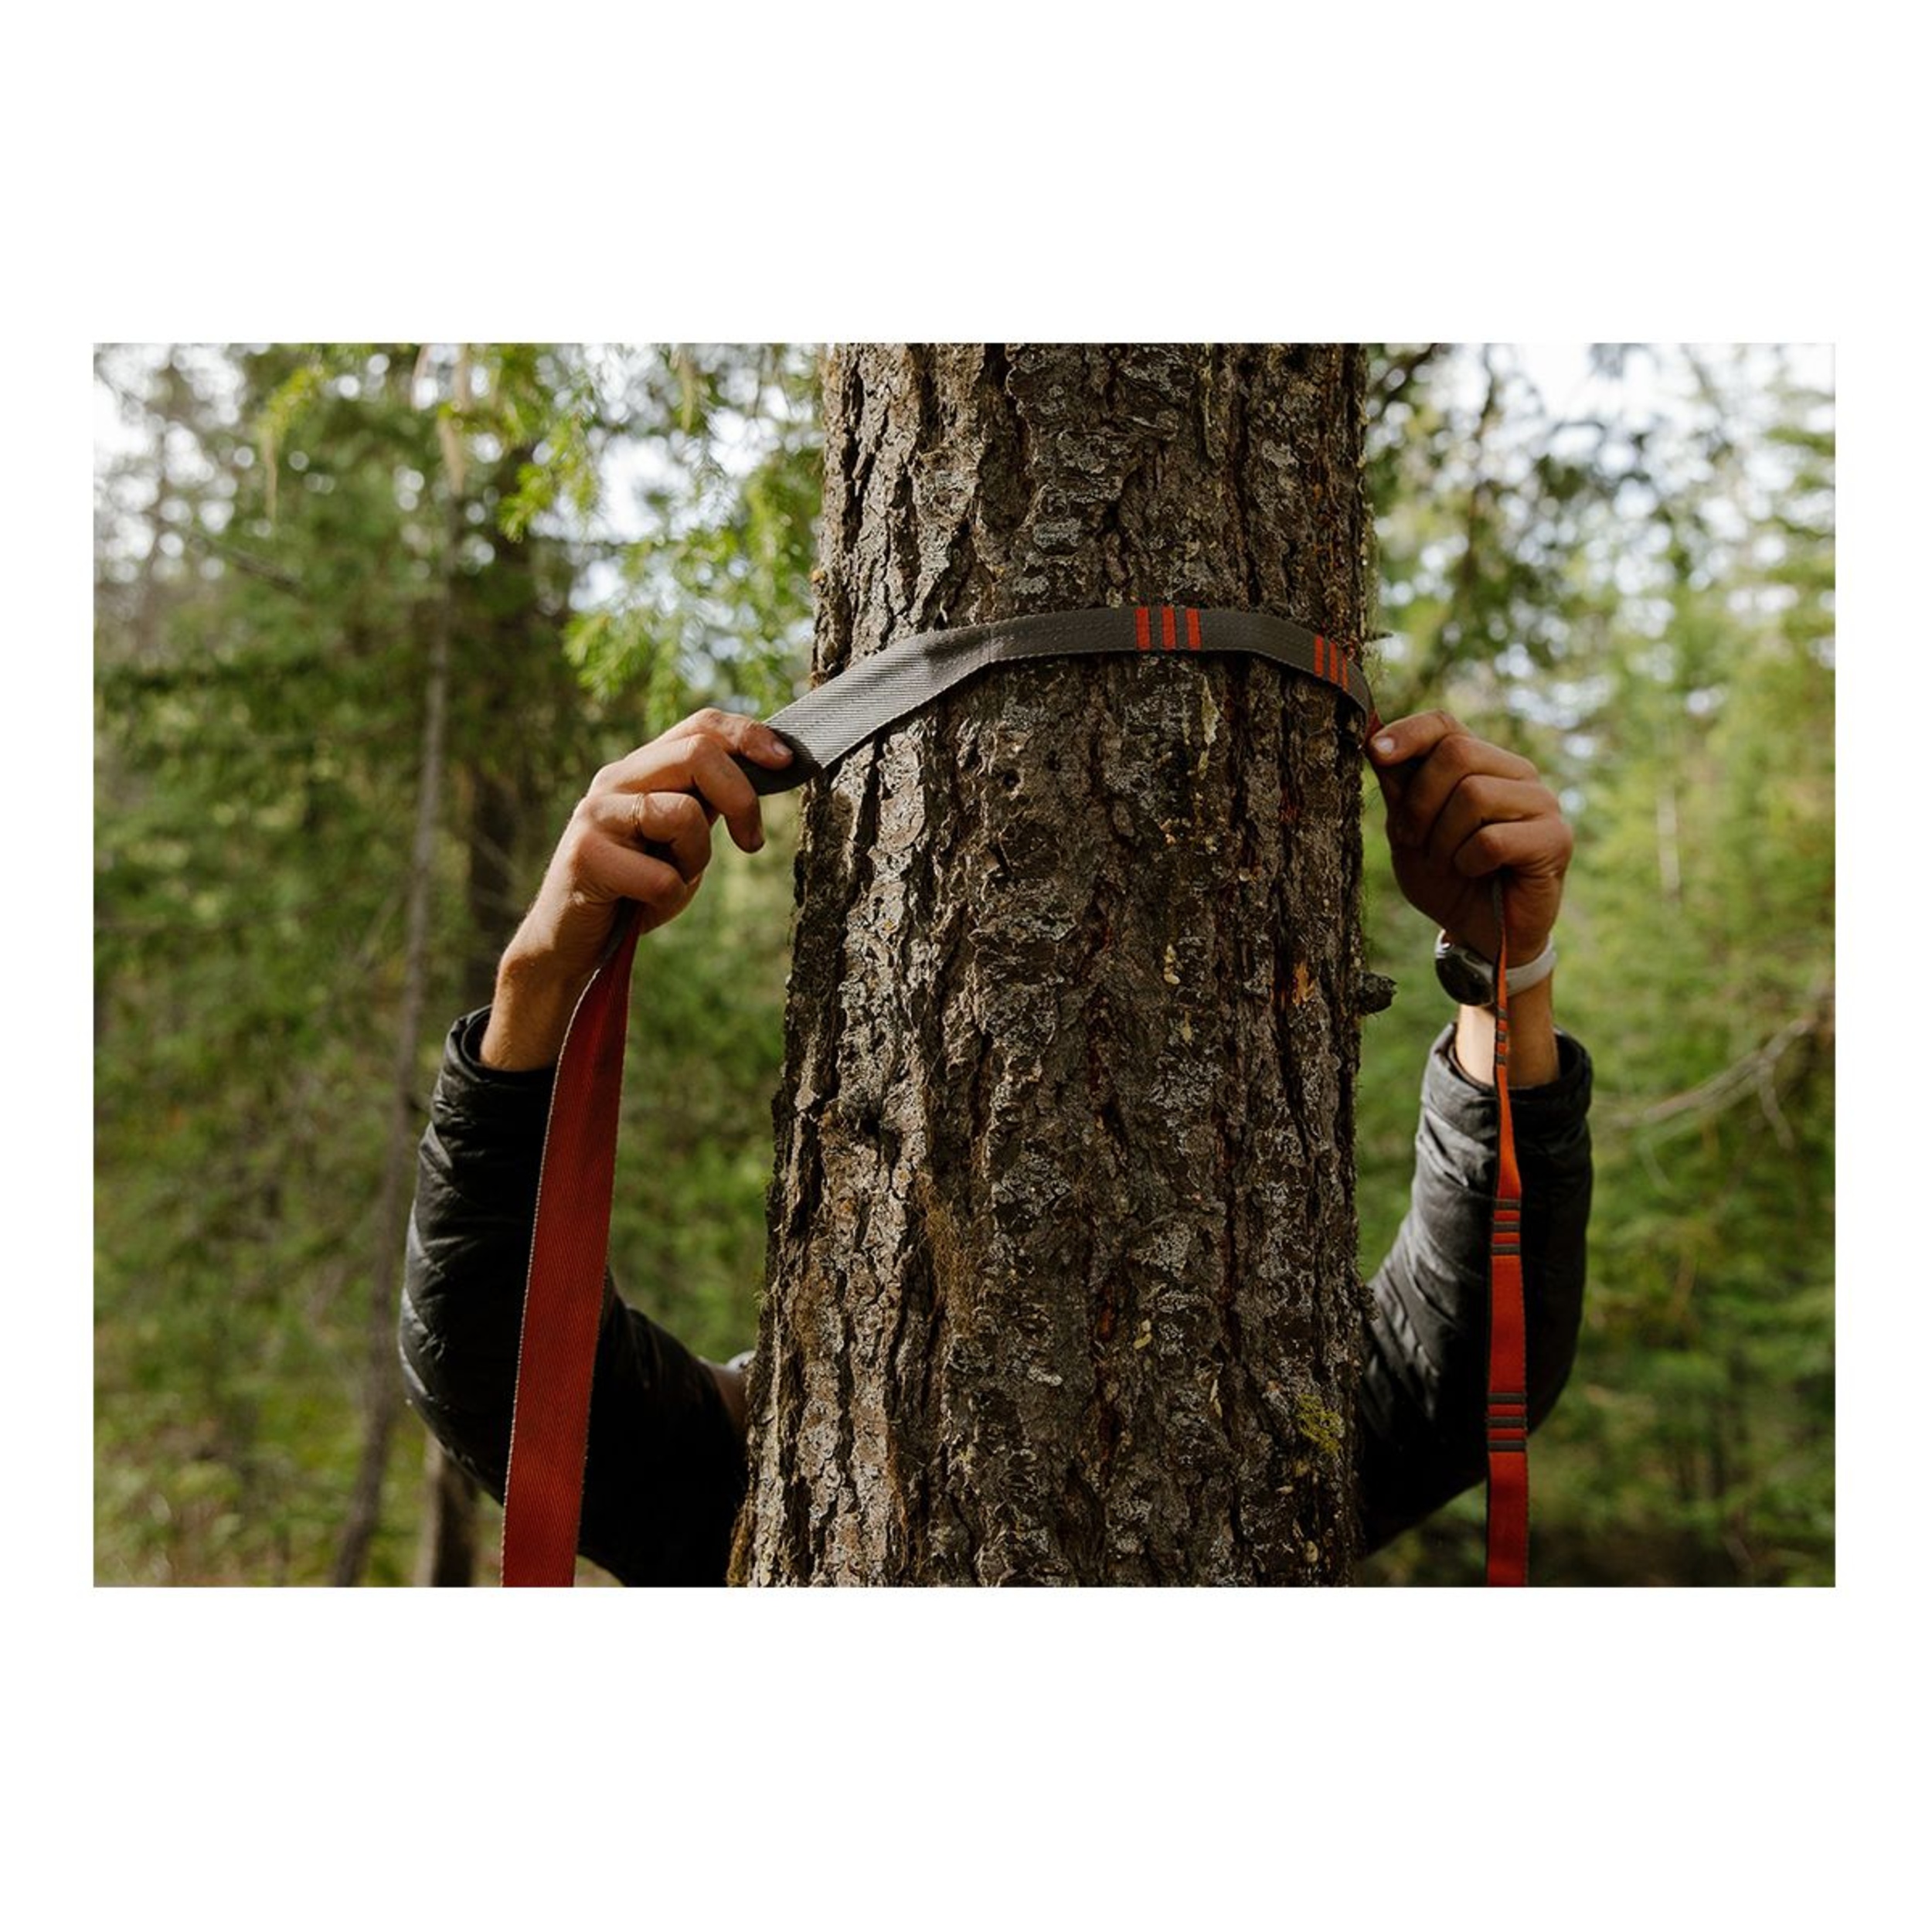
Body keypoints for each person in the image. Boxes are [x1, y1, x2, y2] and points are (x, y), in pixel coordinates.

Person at [400, 704, 1592, 1582]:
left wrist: (1507, 974)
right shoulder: (786, 1459)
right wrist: (542, 977)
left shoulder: (1259, 1439)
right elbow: (498, 1367)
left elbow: (1461, 1368)